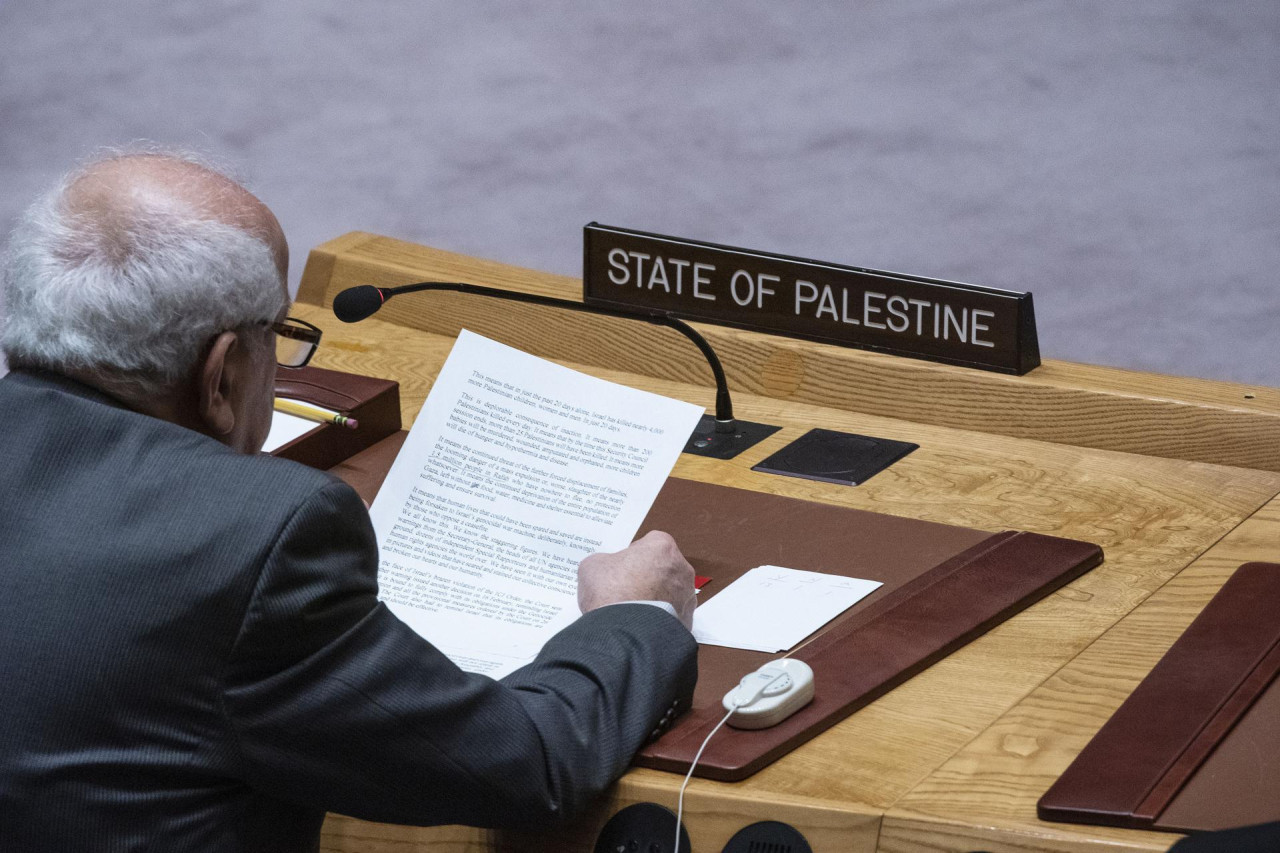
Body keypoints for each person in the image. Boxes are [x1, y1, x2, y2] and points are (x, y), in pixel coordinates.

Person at [0, 151, 698, 852]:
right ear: (222, 376)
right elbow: (526, 764)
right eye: (277, 335)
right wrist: (634, 612)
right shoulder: (250, 541)